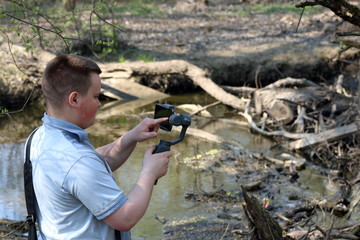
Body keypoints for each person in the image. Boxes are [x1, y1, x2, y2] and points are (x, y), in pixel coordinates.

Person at [25, 54, 172, 239]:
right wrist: (149, 173)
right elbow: (125, 218)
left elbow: (90, 167)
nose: (99, 103)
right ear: (75, 99)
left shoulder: (40, 137)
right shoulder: (76, 160)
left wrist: (130, 138)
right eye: (96, 96)